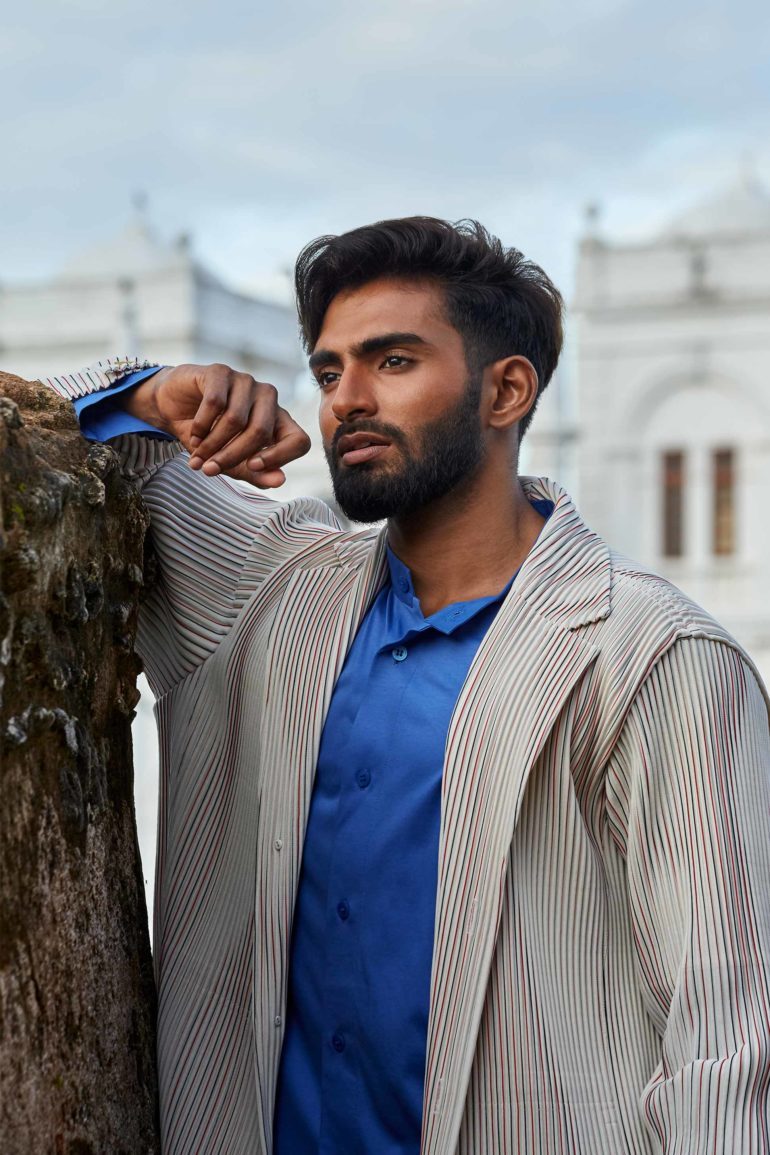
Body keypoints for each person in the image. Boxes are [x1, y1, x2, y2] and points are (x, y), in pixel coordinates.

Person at [43, 218, 770, 1155]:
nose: (347, 398)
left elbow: (731, 1035)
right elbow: (51, 439)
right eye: (332, 368)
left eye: (392, 361)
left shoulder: (647, 654)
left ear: (506, 389)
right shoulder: (266, 591)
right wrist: (152, 390)